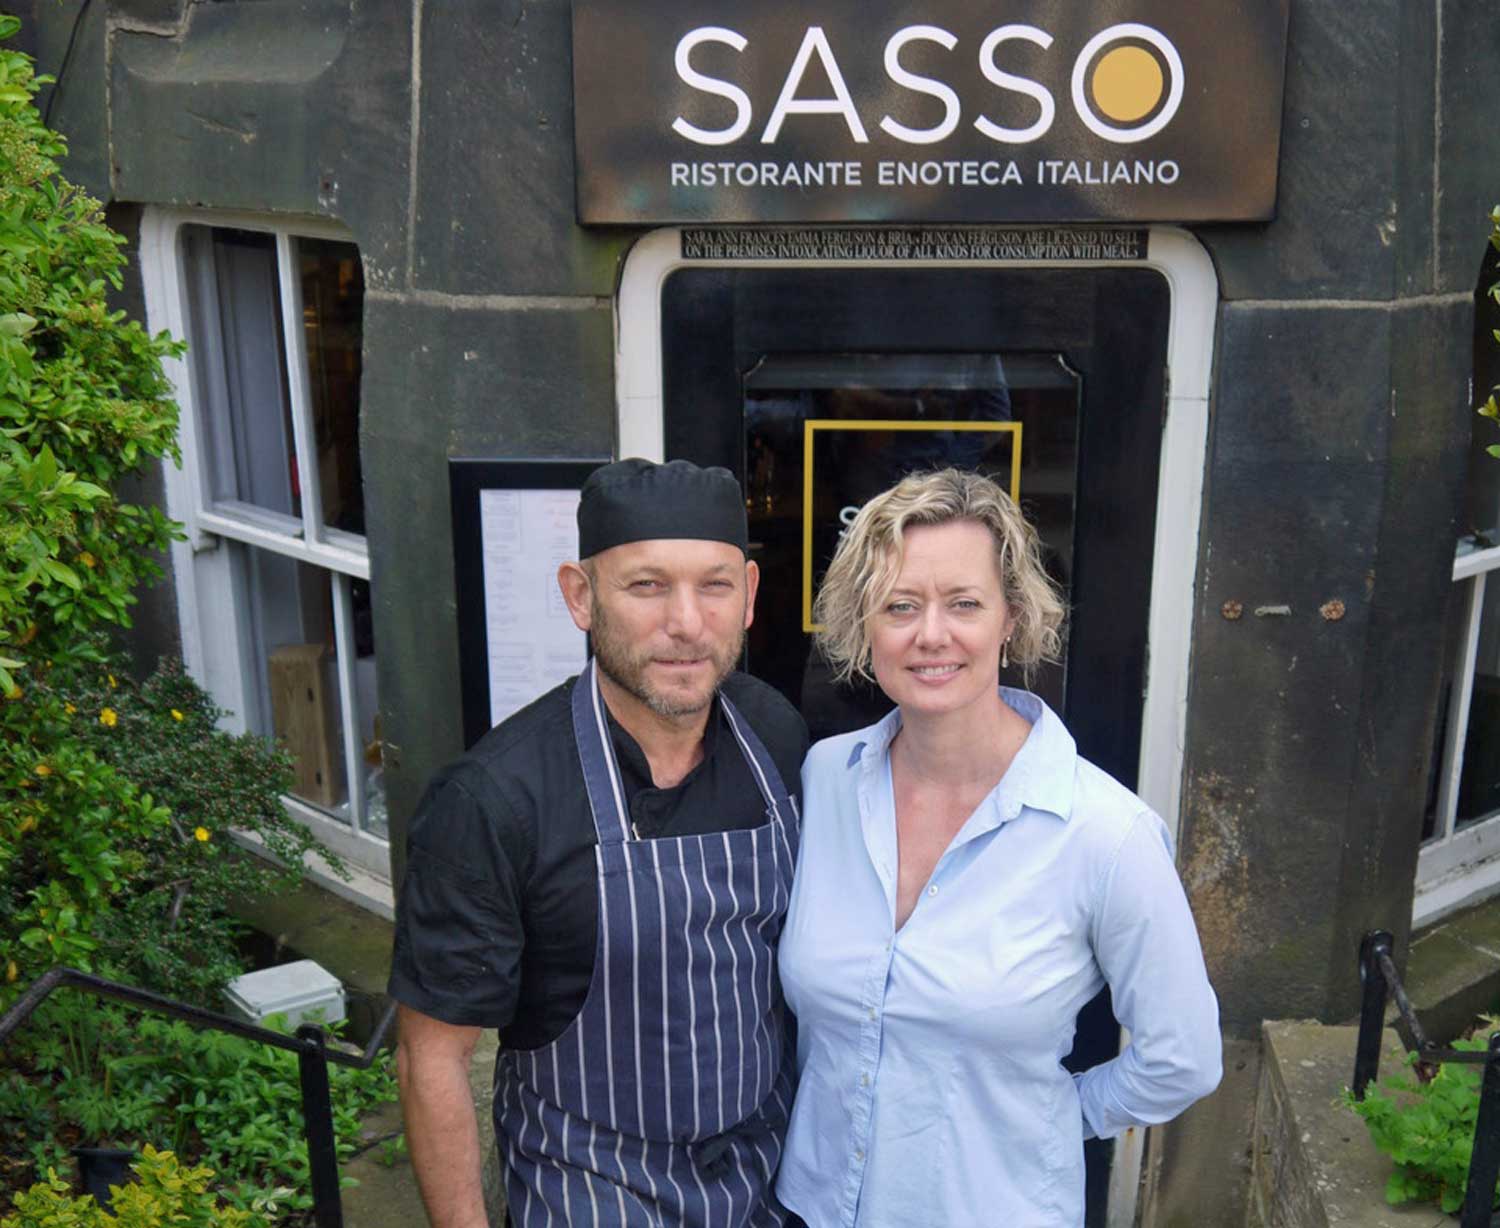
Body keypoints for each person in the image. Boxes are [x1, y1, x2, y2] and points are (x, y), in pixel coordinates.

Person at [775, 468, 1220, 1228]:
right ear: (865, 625)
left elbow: (1183, 1058)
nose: (931, 634)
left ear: (1012, 617)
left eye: (965, 604)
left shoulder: (1104, 834)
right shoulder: (826, 781)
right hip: (811, 1208)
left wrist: (1050, 1119)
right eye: (900, 605)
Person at [390, 459, 808, 1228]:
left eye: (713, 585)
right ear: (580, 597)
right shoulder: (492, 800)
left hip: (767, 1173)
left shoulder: (774, 735)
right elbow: (433, 1060)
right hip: (589, 1186)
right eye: (646, 585)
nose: (686, 622)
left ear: (748, 596)